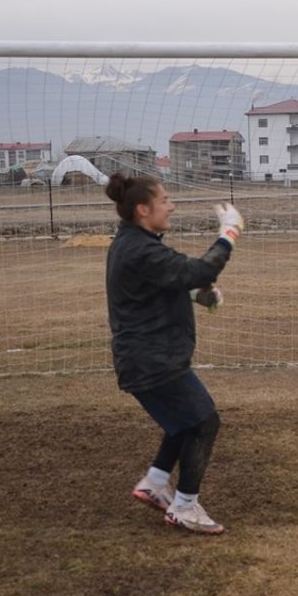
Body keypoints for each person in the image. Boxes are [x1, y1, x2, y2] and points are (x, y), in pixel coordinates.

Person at [104, 173, 244, 534]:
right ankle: (185, 506)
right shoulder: (141, 248)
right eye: (165, 200)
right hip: (151, 360)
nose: (171, 206)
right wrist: (229, 231)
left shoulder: (135, 242)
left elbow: (161, 287)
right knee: (203, 422)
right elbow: (200, 269)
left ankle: (155, 483)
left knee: (184, 422)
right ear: (142, 209)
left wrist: (198, 296)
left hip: (150, 357)